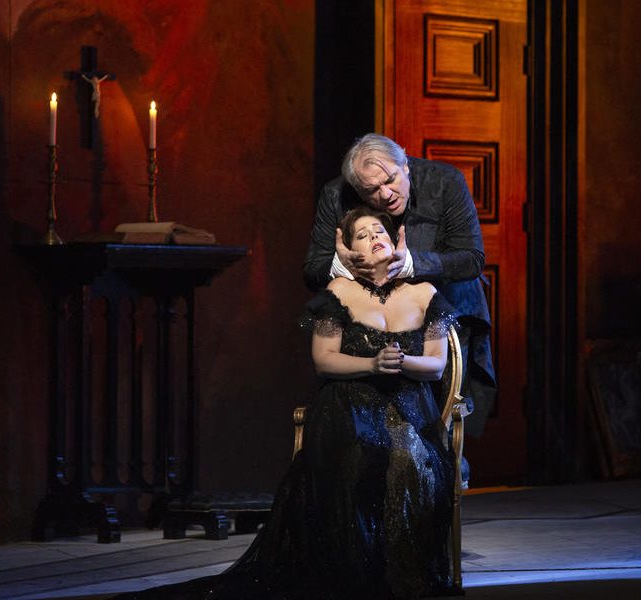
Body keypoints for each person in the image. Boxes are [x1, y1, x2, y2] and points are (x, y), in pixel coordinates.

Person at [117, 206, 459, 599]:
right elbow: (324, 359)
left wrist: (400, 362)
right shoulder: (338, 293)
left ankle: (401, 572)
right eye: (362, 236)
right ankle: (355, 572)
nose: (374, 238)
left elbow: (436, 365)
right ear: (350, 252)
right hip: (349, 403)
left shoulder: (425, 293)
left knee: (412, 457)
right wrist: (371, 364)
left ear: (396, 239)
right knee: (359, 450)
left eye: (379, 230)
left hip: (409, 406)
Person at [304, 133, 495, 437]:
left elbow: (472, 259)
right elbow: (313, 270)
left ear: (405, 164)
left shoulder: (445, 181)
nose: (385, 194)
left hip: (440, 319)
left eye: (391, 180)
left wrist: (414, 264)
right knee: (363, 433)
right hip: (367, 328)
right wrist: (341, 265)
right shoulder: (335, 195)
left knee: (436, 431)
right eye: (371, 190)